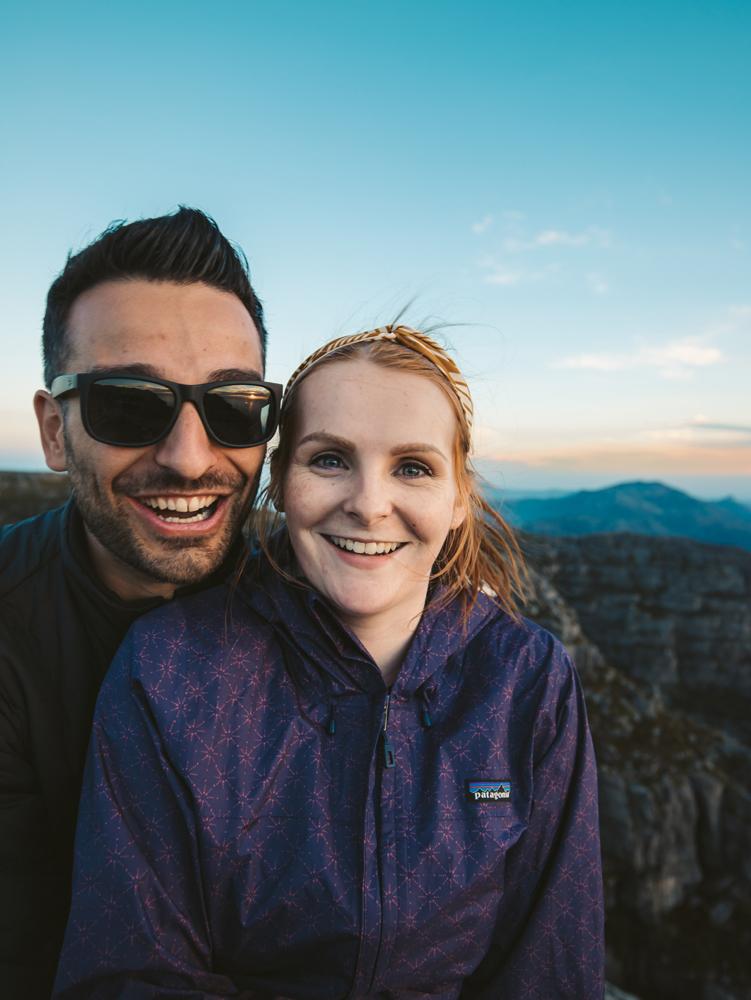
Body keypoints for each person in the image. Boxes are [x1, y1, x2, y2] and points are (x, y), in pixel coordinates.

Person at [56, 325, 604, 998]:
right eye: (329, 460)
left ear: (458, 498)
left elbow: (550, 966)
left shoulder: (527, 679)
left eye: (412, 467)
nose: (369, 505)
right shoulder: (171, 670)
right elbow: (129, 973)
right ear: (279, 482)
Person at [0, 207, 279, 998]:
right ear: (55, 432)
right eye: (129, 403)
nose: (191, 457)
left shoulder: (335, 607)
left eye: (234, 406)